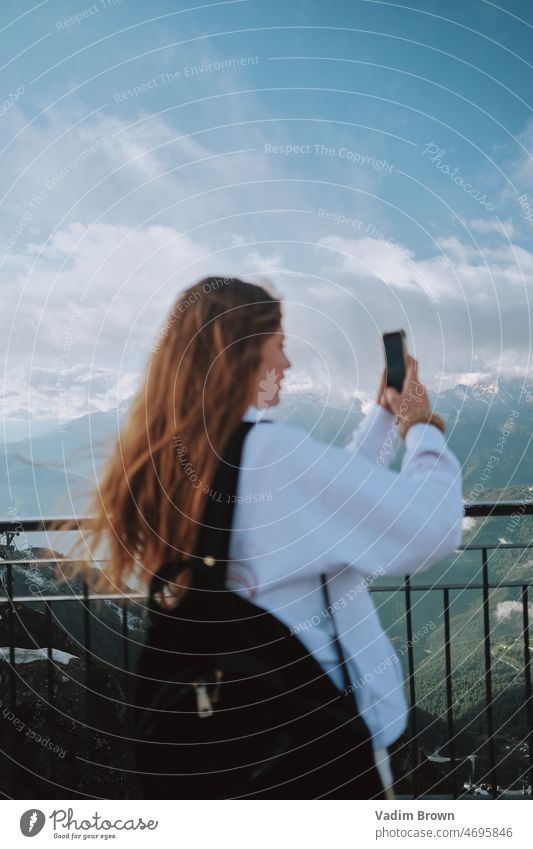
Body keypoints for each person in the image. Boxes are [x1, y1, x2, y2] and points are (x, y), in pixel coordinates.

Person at [77, 276, 463, 798]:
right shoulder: (268, 456)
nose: (287, 364)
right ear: (242, 352)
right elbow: (430, 525)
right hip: (312, 738)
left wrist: (380, 420)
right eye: (279, 345)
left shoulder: (185, 459)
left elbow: (315, 508)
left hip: (243, 738)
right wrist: (422, 427)